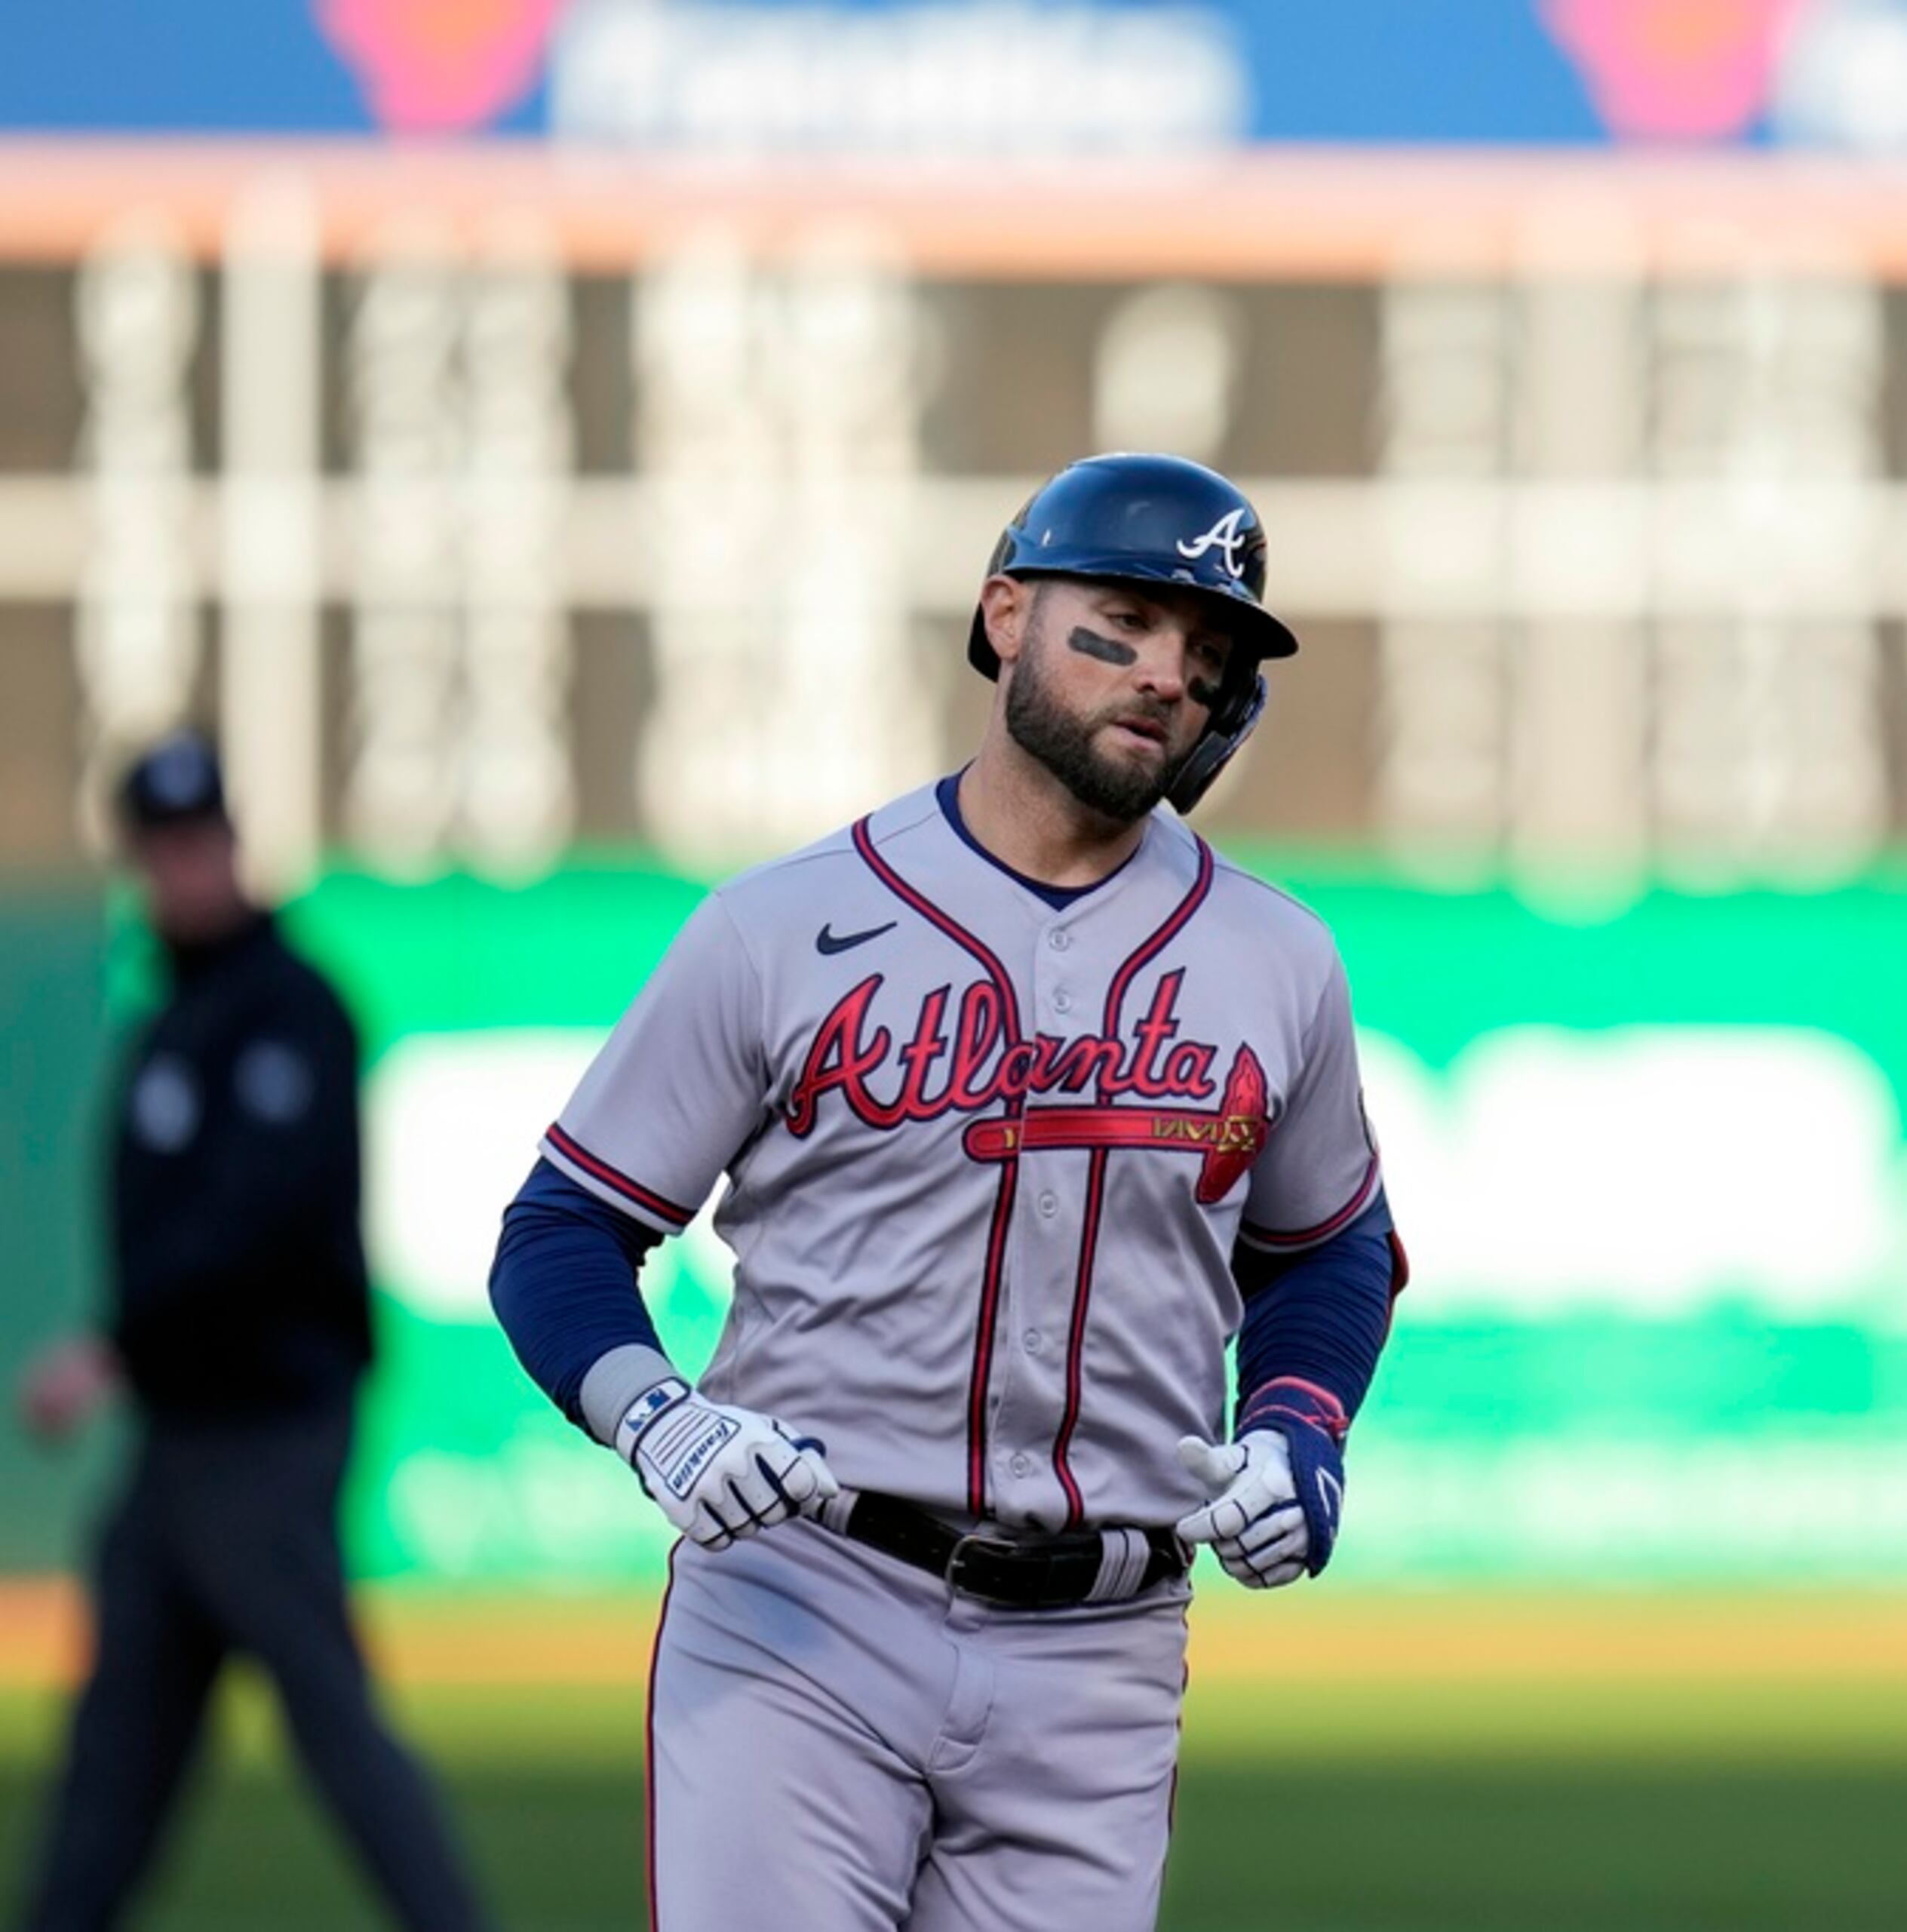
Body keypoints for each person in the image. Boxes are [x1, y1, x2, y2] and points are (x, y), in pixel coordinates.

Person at [487, 452, 1407, 1930]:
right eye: (1121, 621)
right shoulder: (783, 924)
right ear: (1004, 616)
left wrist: (1300, 1429)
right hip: (805, 1604)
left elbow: (1330, 1251)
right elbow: (562, 1229)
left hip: (1104, 1651)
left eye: (1208, 648)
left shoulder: (1277, 960)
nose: (1166, 671)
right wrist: (652, 1417)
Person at [14, 733, 493, 1932]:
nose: (186, 867)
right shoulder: (168, 1022)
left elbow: (259, 1219)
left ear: (232, 843)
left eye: (201, 841)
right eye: (162, 848)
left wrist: (114, 1344)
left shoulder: (292, 1009)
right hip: (177, 1442)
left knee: (330, 1720)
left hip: (269, 1432)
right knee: (113, 1757)